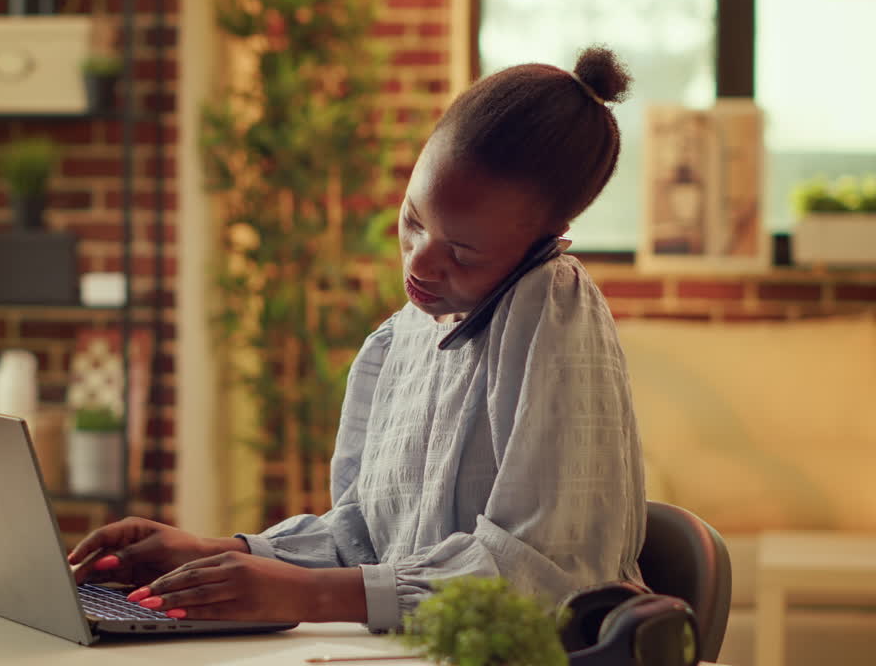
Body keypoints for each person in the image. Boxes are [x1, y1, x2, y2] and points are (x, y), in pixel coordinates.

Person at [67, 46, 646, 632]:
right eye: (415, 219)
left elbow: (549, 577)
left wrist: (312, 596)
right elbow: (365, 538)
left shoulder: (551, 304)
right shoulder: (403, 336)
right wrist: (222, 554)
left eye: (464, 252)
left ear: (549, 236)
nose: (420, 264)